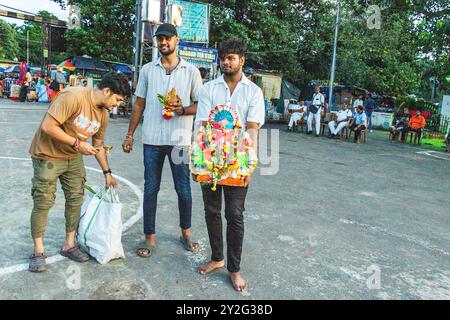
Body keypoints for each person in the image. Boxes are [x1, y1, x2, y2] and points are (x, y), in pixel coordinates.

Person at [28, 72, 130, 272]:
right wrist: (77, 143)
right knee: (43, 200)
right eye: (117, 100)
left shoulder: (103, 114)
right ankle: (38, 251)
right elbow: (48, 126)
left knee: (76, 199)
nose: (117, 104)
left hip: (73, 158)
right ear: (107, 91)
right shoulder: (73, 96)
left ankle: (69, 244)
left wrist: (107, 172)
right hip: (48, 154)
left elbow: (98, 145)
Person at [121, 23, 203, 258]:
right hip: (152, 140)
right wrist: (129, 135)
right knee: (151, 189)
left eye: (168, 38)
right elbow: (139, 103)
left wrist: (182, 110)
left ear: (177, 40)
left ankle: (185, 232)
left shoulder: (191, 71)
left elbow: (200, 105)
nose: (163, 43)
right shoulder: (148, 70)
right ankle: (150, 237)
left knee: (184, 189)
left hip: (180, 141)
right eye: (160, 39)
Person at [195, 39, 265, 292]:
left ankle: (234, 269)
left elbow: (253, 129)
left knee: (234, 215)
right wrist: (198, 163)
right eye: (223, 57)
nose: (226, 61)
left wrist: (249, 168)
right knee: (211, 211)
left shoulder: (253, 92)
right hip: (211, 162)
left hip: (238, 164)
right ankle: (217, 258)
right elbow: (202, 126)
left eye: (232, 57)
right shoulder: (209, 89)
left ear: (241, 61)